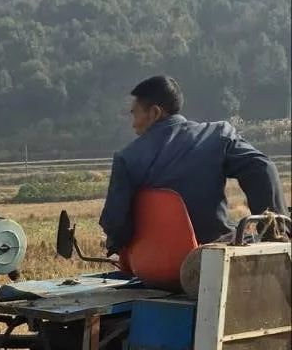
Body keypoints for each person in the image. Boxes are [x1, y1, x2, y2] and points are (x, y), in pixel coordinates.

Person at [99, 75, 287, 256]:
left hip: (151, 267)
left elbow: (115, 224)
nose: (133, 124)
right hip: (211, 258)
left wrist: (118, 243)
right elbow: (262, 167)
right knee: (244, 235)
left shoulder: (126, 158)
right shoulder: (217, 135)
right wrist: (274, 232)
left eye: (135, 114)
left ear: (155, 112)